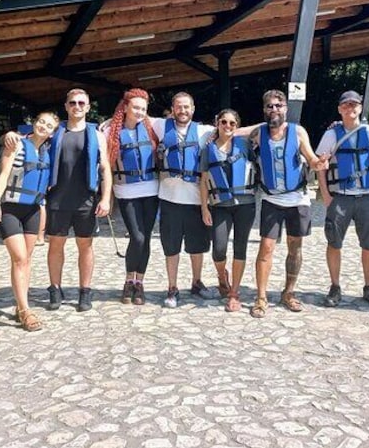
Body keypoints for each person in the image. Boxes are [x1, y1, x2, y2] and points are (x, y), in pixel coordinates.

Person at [5, 89, 112, 313]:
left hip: (85, 199)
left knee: (86, 246)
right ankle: (55, 288)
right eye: (72, 102)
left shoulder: (97, 135)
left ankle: (85, 291)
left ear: (88, 107)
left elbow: (105, 169)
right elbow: (28, 139)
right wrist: (8, 135)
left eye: (82, 103)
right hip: (57, 199)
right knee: (56, 245)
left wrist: (105, 198)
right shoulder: (55, 132)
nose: (77, 106)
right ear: (66, 106)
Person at [249, 90, 328, 318]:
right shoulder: (258, 133)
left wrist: (319, 164)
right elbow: (233, 133)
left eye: (278, 106)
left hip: (297, 199)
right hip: (271, 199)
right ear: (264, 110)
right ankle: (261, 296)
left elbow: (312, 159)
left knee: (295, 248)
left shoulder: (298, 132)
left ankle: (289, 292)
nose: (274, 110)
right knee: (266, 247)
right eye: (269, 106)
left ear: (286, 108)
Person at [316, 91, 369, 309]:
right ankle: (335, 286)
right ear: (340, 109)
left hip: (367, 197)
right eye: (345, 105)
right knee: (334, 242)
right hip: (340, 198)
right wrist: (326, 195)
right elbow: (320, 166)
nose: (350, 108)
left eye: (354, 104)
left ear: (360, 107)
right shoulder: (331, 135)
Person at [0, 112, 59, 331]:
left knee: (25, 259)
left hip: (32, 210)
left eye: (49, 126)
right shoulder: (16, 144)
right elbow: (3, 173)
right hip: (10, 207)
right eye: (41, 122)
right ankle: (26, 311)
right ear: (34, 123)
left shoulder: (48, 151)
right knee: (19, 258)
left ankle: (20, 304)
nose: (43, 127)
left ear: (52, 132)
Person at [152, 92, 217, 307]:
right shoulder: (162, 126)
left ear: (193, 108)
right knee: (171, 247)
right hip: (169, 199)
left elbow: (232, 131)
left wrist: (265, 126)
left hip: (195, 199)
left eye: (186, 107)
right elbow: (134, 113)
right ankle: (172, 287)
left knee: (197, 246)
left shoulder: (204, 131)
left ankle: (197, 282)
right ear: (172, 109)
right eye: (178, 107)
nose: (182, 111)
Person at [104, 88, 159, 305]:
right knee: (136, 237)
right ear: (125, 107)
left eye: (143, 109)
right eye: (135, 107)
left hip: (151, 190)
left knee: (145, 238)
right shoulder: (110, 131)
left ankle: (139, 283)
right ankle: (129, 279)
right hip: (126, 191)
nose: (139, 112)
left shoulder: (152, 128)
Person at [199, 109, 256, 312]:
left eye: (233, 123)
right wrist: (204, 208)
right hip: (220, 205)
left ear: (237, 126)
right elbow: (204, 181)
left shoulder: (246, 145)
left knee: (240, 247)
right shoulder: (208, 149)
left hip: (245, 205)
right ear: (217, 123)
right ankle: (222, 276)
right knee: (219, 249)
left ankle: (234, 293)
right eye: (224, 122)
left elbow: (268, 129)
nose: (228, 126)